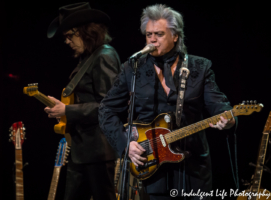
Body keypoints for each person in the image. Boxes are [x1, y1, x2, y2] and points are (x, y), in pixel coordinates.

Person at [98, 4, 236, 200]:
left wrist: (227, 118)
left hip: (193, 169)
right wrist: (125, 144)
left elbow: (218, 104)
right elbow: (106, 110)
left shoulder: (199, 67)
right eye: (148, 34)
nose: (152, 40)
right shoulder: (132, 68)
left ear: (175, 36)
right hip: (153, 169)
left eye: (159, 34)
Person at [44, 2, 121, 200]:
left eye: (70, 35)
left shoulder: (105, 56)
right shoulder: (88, 57)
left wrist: (67, 111)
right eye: (65, 37)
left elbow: (109, 107)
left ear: (86, 31)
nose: (67, 41)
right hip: (82, 150)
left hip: (99, 152)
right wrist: (62, 108)